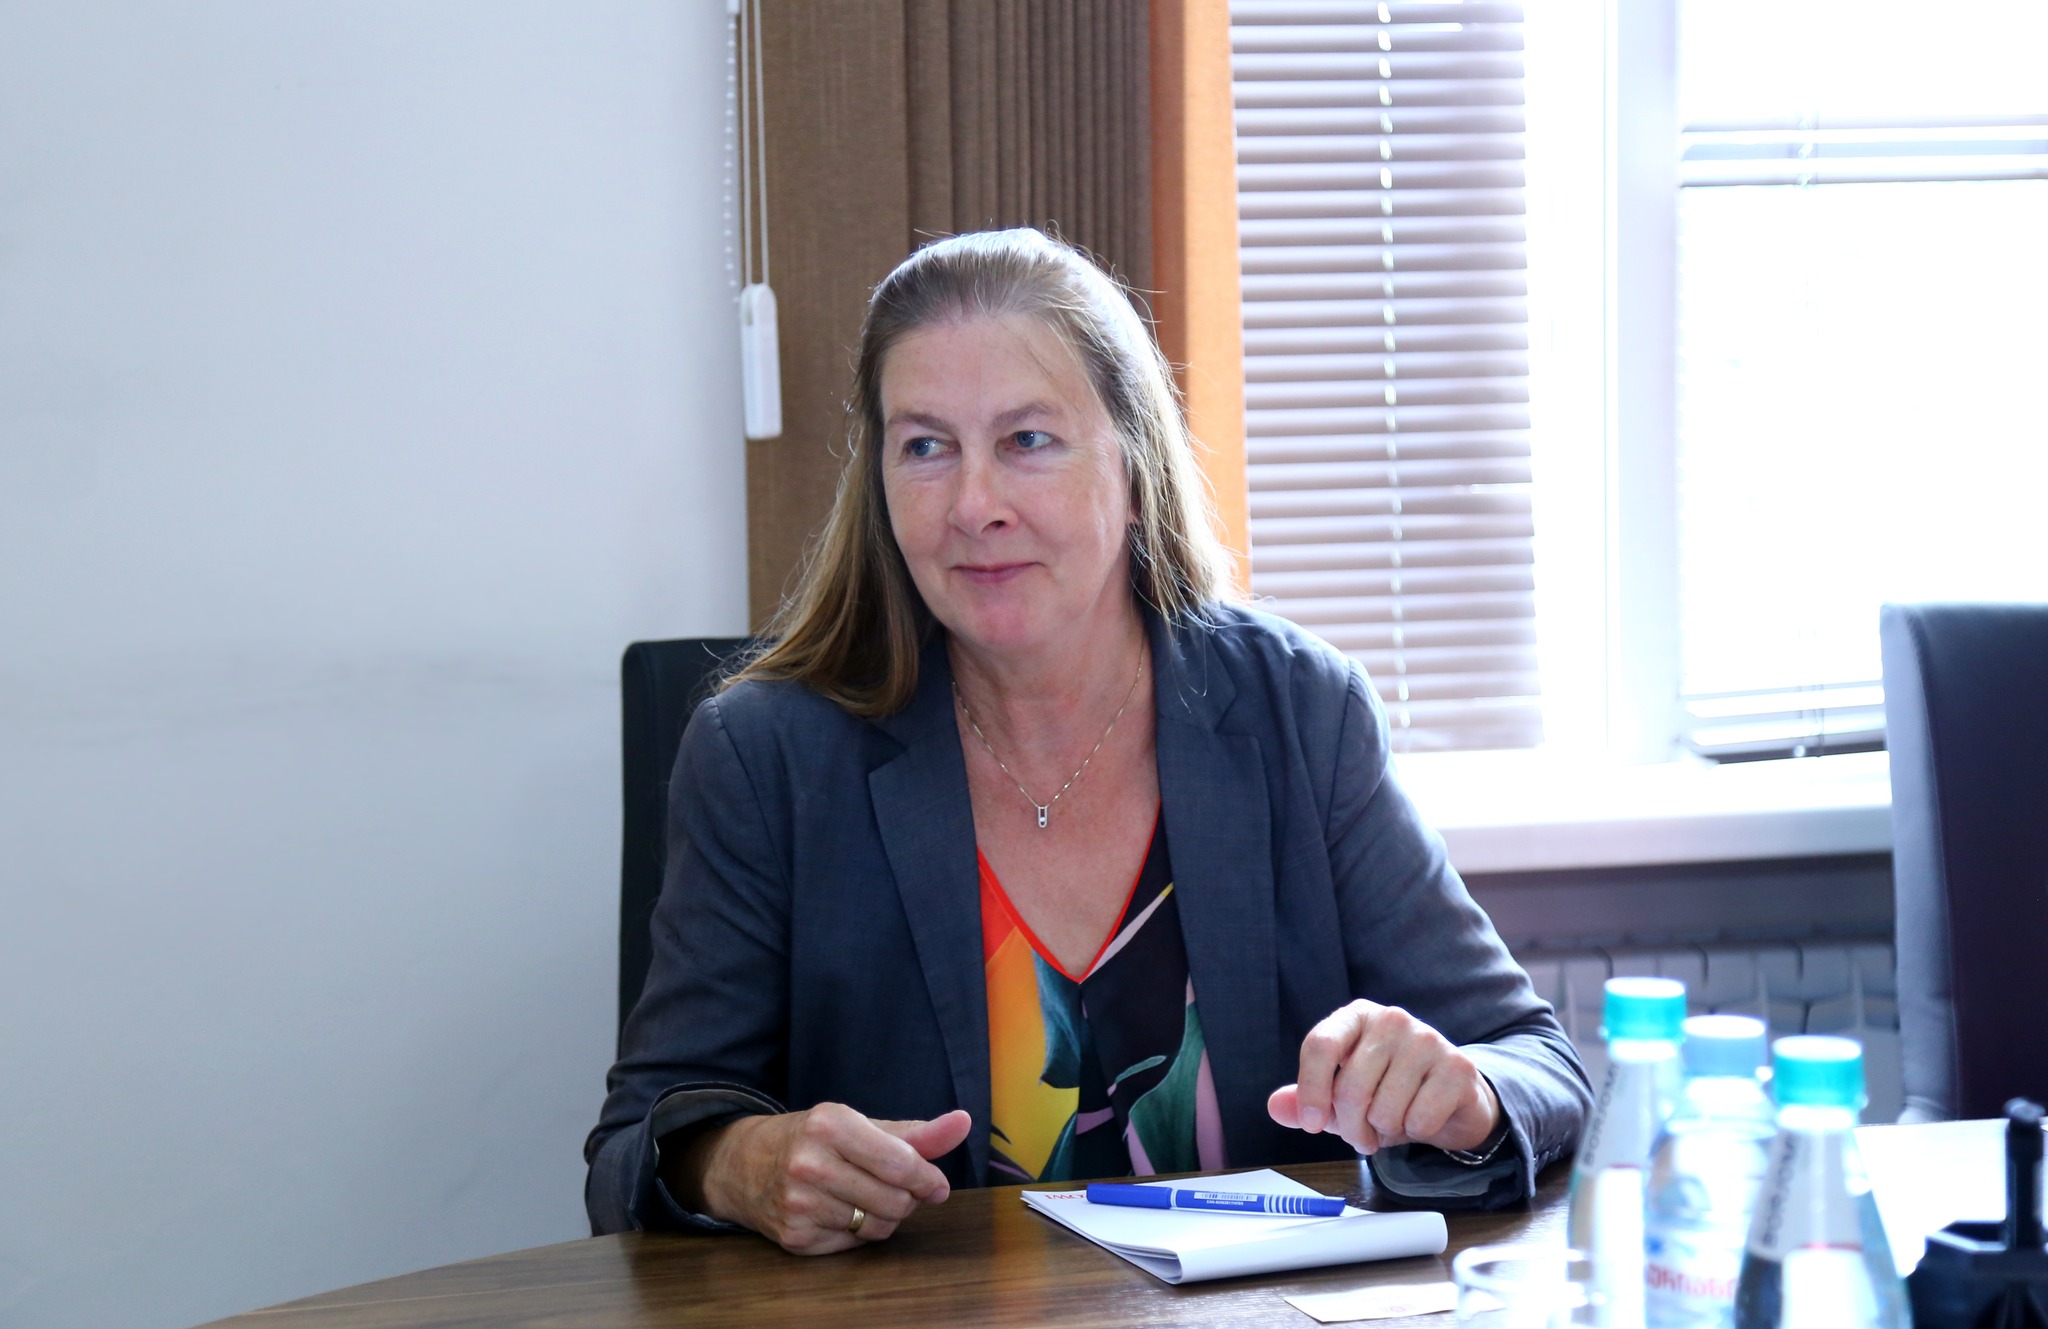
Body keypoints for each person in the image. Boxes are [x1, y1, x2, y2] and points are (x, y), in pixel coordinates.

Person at [585, 228, 1589, 1254]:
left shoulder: (1297, 710)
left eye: (1027, 440)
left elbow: (1535, 1063)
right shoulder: (766, 757)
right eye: (925, 447)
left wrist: (1460, 1094)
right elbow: (638, 1145)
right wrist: (740, 1161)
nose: (974, 506)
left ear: (1133, 463)